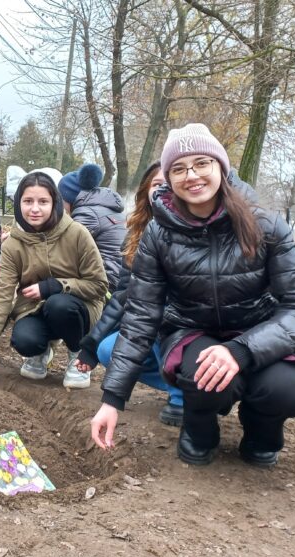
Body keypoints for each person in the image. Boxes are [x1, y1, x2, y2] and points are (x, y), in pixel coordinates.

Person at [90, 124, 295, 468]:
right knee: (204, 372)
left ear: (220, 168)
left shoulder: (266, 225)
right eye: (179, 168)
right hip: (192, 332)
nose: (192, 175)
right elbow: (140, 316)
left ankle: (262, 432)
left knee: (289, 387)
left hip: (257, 331)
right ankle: (200, 432)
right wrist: (112, 399)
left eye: (202, 163)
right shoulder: (158, 233)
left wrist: (242, 351)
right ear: (168, 178)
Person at [0, 171, 108, 389]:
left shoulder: (77, 234)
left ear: (55, 203)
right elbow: (0, 296)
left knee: (60, 304)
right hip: (34, 308)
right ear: (19, 203)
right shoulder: (13, 245)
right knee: (24, 339)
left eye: (43, 201)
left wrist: (56, 286)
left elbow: (99, 285)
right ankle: (40, 352)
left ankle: (76, 355)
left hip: (79, 308)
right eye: (28, 201)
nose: (35, 209)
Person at [75, 162, 184, 426]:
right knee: (107, 349)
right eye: (157, 184)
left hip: (189, 329)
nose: (164, 190)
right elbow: (124, 295)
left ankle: (184, 396)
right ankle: (183, 384)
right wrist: (90, 345)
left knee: (161, 318)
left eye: (170, 183)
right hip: (151, 323)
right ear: (146, 191)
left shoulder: (193, 232)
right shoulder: (135, 235)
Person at [58, 163, 126, 292]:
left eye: (61, 199)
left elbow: (66, 252)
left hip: (108, 282)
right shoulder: (105, 207)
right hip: (122, 276)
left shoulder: (86, 213)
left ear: (69, 198)